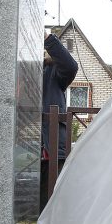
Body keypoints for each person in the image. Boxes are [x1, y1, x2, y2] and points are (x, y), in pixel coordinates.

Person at [41, 31, 78, 210]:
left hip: (51, 152)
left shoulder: (52, 71)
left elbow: (70, 66)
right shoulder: (18, 71)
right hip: (22, 154)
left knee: (54, 207)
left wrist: (47, 39)